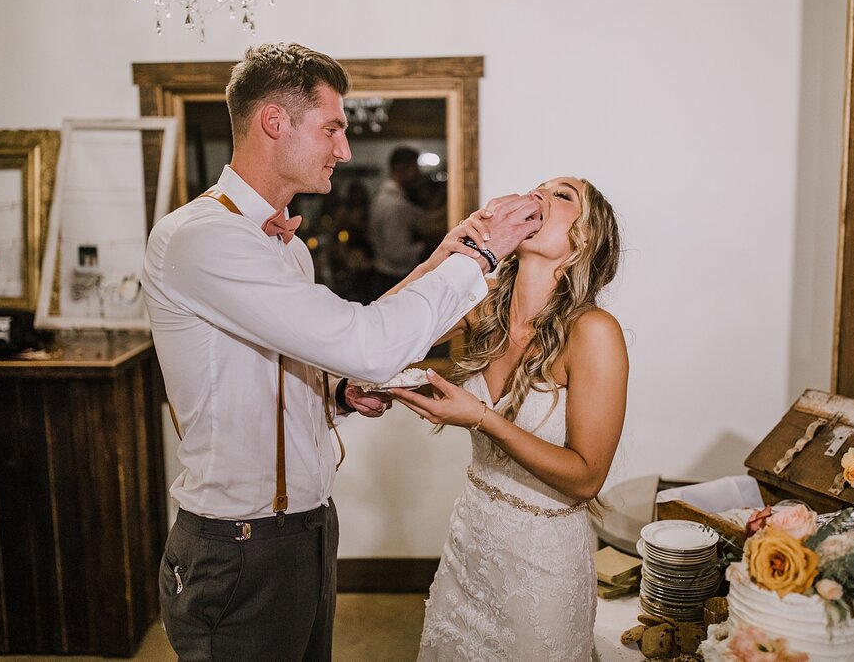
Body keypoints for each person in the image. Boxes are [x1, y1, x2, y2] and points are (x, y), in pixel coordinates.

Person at [141, 42, 542, 661]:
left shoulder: (286, 246)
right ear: (275, 121)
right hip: (238, 545)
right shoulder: (202, 240)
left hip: (307, 526)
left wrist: (336, 386)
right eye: (333, 128)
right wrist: (482, 259)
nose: (345, 150)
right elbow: (368, 343)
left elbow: (321, 345)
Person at [390, 176, 629, 661]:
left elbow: (586, 478)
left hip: (543, 563)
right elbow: (382, 332)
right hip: (470, 543)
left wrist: (480, 416)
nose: (538, 195)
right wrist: (445, 254)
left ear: (585, 237)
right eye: (536, 188)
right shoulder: (483, 305)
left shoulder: (594, 332)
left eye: (561, 195)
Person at [367, 146, 428, 299]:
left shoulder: (386, 197)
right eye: (415, 167)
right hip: (393, 279)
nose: (418, 173)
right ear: (401, 168)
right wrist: (425, 248)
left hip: (385, 276)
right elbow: (397, 254)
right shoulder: (394, 204)